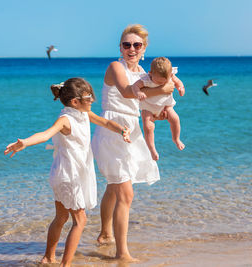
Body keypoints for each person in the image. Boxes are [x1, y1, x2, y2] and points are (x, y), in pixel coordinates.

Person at [4, 78, 131, 267]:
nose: (92, 100)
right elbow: (46, 134)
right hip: (68, 176)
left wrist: (121, 130)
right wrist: (25, 143)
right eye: (89, 97)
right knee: (80, 221)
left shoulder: (84, 113)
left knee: (62, 217)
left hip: (65, 174)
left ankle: (48, 258)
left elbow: (104, 122)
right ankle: (66, 264)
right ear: (75, 102)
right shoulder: (66, 119)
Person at [91, 24, 176, 261]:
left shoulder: (144, 74)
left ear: (144, 49)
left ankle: (105, 234)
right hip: (111, 130)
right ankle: (122, 253)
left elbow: (143, 104)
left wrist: (160, 113)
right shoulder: (115, 67)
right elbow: (128, 92)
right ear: (120, 47)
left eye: (136, 45)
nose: (131, 48)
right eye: (126, 44)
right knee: (125, 193)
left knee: (113, 184)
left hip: (133, 130)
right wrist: (163, 87)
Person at [131, 56, 185, 161]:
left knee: (175, 119)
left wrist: (180, 88)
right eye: (159, 82)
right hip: (148, 107)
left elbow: (179, 82)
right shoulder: (145, 79)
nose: (162, 84)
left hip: (165, 106)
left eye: (165, 82)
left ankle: (176, 139)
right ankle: (152, 149)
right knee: (148, 126)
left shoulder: (170, 76)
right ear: (150, 73)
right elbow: (134, 86)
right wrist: (138, 92)